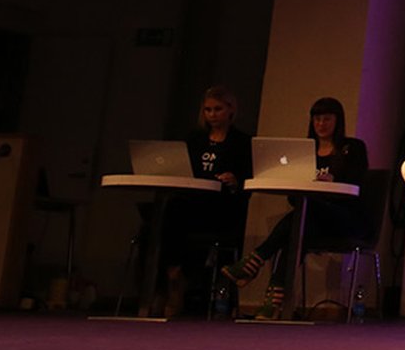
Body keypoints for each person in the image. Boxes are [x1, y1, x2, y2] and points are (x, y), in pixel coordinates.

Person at [221, 97, 370, 319]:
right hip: (313, 222)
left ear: (337, 121)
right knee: (297, 231)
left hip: (345, 218)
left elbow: (357, 186)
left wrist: (333, 182)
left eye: (327, 119)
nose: (321, 124)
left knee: (304, 218)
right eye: (317, 119)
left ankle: (255, 261)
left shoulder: (353, 148)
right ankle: (273, 303)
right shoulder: (305, 152)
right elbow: (294, 198)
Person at [158, 86, 254, 315]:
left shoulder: (242, 142)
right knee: (163, 215)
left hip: (222, 207)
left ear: (230, 110)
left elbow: (248, 181)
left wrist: (235, 181)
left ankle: (181, 281)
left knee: (177, 216)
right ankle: (172, 275)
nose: (212, 115)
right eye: (208, 109)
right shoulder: (194, 139)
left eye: (218, 109)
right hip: (192, 201)